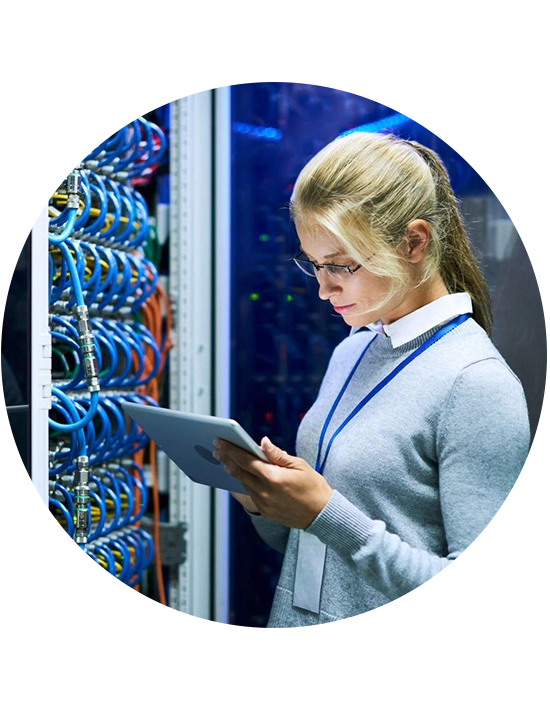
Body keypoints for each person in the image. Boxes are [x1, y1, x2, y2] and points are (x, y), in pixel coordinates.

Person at [212, 131, 530, 627]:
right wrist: (263, 498)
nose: (322, 289)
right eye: (314, 265)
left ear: (414, 242)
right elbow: (305, 548)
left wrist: (327, 515)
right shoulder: (352, 350)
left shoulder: (476, 384)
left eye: (340, 266)